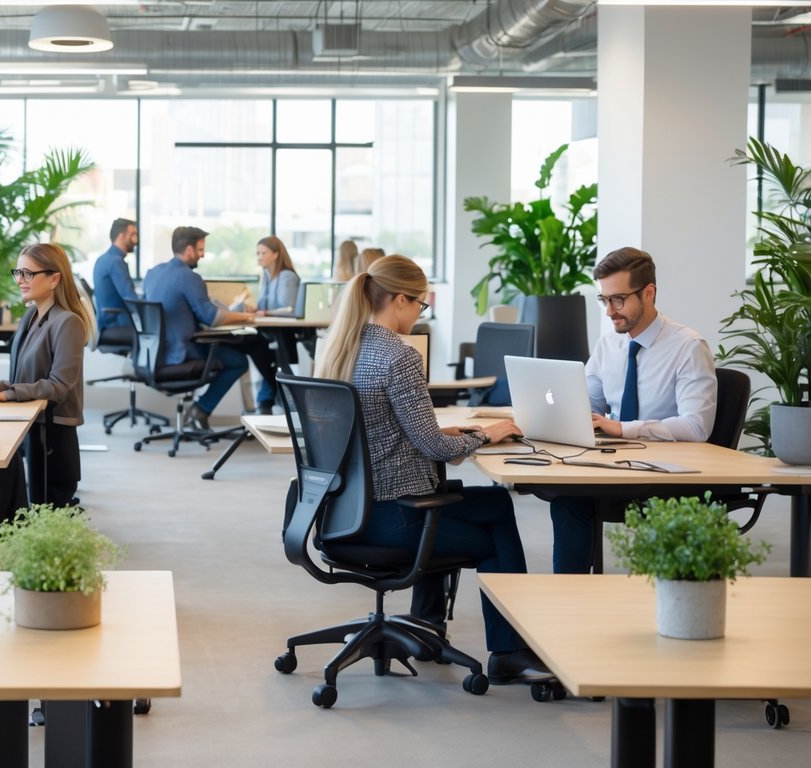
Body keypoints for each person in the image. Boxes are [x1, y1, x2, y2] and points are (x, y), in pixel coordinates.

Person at [314, 255, 548, 683]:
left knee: (493, 502)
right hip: (391, 517)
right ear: (400, 299)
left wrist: (455, 430)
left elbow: (384, 428)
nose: (420, 314)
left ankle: (427, 623)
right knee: (494, 530)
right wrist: (485, 434)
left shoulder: (342, 348)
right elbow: (433, 445)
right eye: (420, 305)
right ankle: (508, 652)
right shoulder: (397, 356)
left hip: (342, 512)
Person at [549, 247, 718, 574]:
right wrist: (561, 414)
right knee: (567, 501)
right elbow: (590, 404)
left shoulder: (688, 346)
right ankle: (569, 603)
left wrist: (626, 428)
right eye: (604, 300)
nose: (610, 311)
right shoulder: (608, 344)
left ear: (649, 293)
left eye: (618, 299)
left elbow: (697, 427)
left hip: (666, 477)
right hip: (614, 466)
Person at [0, 243, 90, 535]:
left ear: (54, 279)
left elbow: (60, 386)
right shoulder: (31, 317)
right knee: (21, 507)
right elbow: (24, 378)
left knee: (48, 516)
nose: (20, 279)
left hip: (53, 432)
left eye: (28, 273)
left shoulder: (69, 323)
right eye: (18, 272)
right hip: (30, 425)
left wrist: (7, 394)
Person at [142, 226, 276, 431]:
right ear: (188, 250)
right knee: (238, 361)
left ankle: (201, 411)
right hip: (182, 353)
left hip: (155, 354)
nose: (203, 254)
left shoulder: (153, 273)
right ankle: (201, 409)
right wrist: (247, 316)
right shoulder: (189, 277)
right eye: (200, 249)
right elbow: (211, 317)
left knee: (237, 351)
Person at [232, 236, 300, 413]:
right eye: (258, 253)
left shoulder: (286, 276)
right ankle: (267, 398)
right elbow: (265, 306)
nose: (259, 257)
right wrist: (253, 308)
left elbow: (289, 308)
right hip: (268, 329)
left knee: (260, 349)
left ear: (276, 254)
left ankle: (267, 399)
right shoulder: (267, 276)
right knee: (256, 348)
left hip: (283, 332)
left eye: (264, 253)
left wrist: (265, 313)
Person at [92, 218, 139, 347]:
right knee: (158, 334)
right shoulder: (115, 262)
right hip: (116, 325)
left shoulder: (103, 259)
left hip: (106, 324)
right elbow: (130, 298)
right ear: (121, 236)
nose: (136, 240)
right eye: (133, 235)